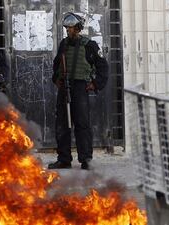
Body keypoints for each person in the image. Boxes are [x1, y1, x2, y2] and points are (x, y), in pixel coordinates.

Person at [48, 12, 109, 170]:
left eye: (72, 28)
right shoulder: (64, 44)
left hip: (81, 88)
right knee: (62, 123)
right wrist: (56, 79)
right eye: (67, 28)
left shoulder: (90, 45)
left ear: (79, 28)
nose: (69, 31)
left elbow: (103, 66)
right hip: (65, 87)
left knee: (82, 123)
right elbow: (56, 65)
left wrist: (95, 84)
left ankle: (86, 159)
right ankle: (64, 159)